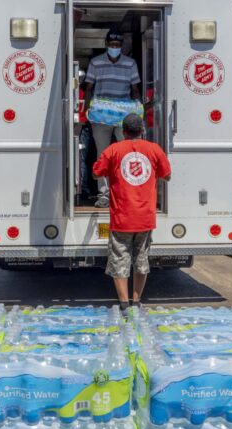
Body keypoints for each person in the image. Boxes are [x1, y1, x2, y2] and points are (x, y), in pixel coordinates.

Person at [93, 113, 171, 313]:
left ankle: (124, 303)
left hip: (121, 217)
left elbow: (96, 173)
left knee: (120, 258)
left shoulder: (113, 150)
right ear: (142, 130)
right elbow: (167, 175)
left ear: (123, 131)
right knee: (141, 259)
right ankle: (137, 300)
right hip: (145, 217)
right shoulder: (154, 149)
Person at [84, 30, 141, 208]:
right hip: (101, 116)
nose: (114, 48)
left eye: (117, 45)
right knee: (103, 155)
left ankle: (127, 193)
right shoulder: (96, 63)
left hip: (123, 115)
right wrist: (88, 110)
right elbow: (89, 88)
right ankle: (105, 194)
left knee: (128, 153)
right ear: (106, 44)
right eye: (111, 45)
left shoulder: (130, 64)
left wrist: (138, 110)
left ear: (121, 45)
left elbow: (135, 89)